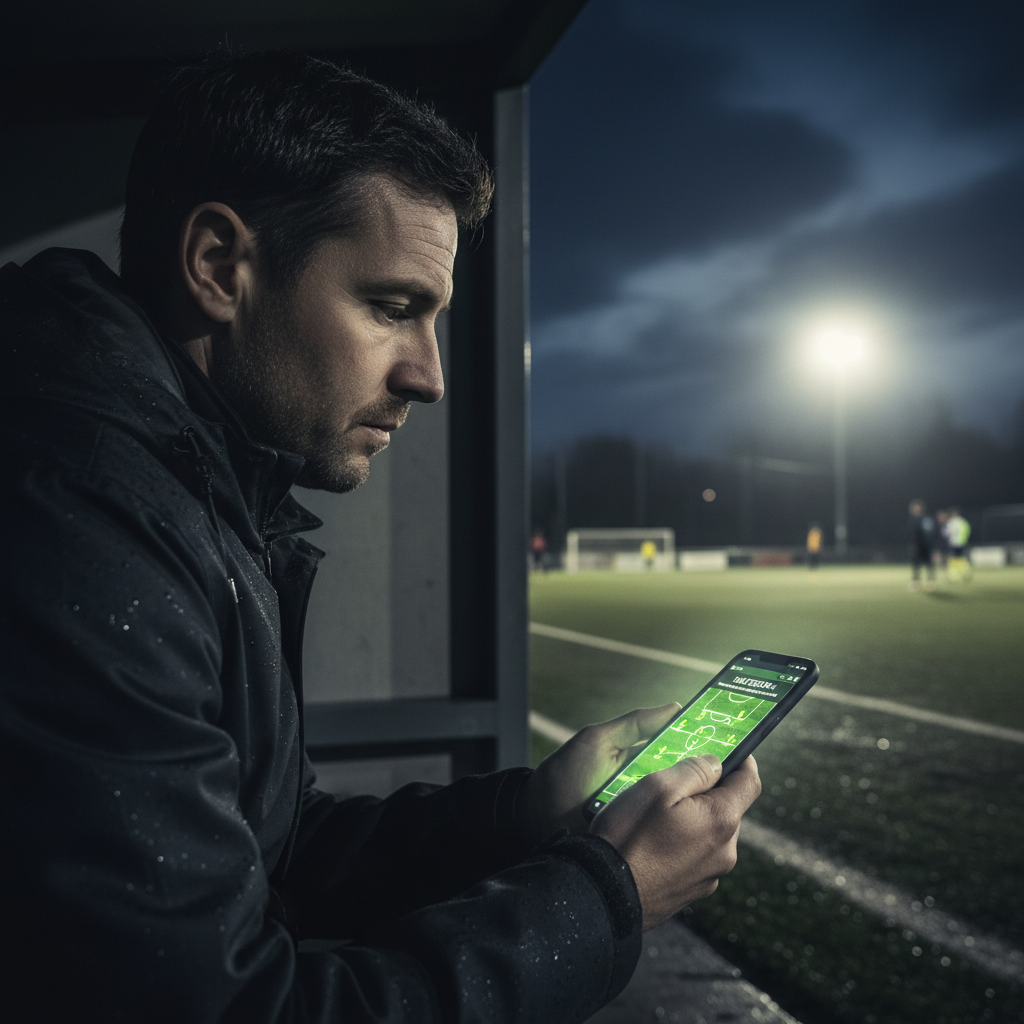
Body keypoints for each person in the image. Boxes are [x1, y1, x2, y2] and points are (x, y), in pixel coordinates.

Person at [0, 52, 761, 1023]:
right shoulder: (76, 512)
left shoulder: (186, 474)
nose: (429, 376)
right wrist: (608, 894)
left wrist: (528, 811)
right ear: (219, 267)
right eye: (392, 307)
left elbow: (271, 844)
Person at [907, 499, 937, 591]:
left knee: (929, 564)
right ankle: (916, 582)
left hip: (927, 546)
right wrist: (913, 545)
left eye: (917, 508)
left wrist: (932, 546)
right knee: (916, 564)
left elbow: (931, 533)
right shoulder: (912, 519)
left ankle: (931, 582)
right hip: (917, 546)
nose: (916, 509)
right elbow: (912, 535)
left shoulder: (926, 519)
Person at [945, 507, 972, 582]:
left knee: (953, 559)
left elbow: (946, 533)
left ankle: (953, 576)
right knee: (962, 559)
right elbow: (968, 531)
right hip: (962, 543)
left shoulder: (951, 522)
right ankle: (965, 573)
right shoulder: (963, 522)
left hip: (953, 543)